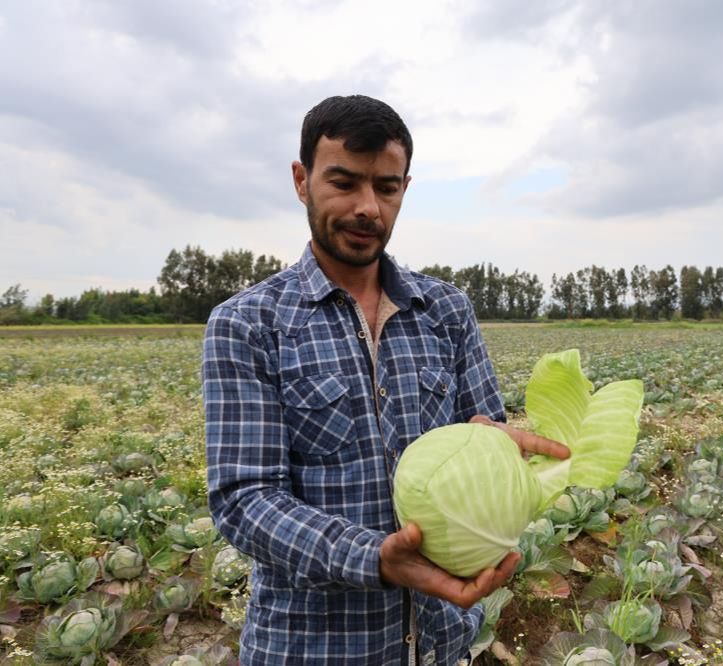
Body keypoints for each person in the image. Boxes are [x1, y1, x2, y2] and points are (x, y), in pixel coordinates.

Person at [202, 95, 568, 665]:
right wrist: (374, 557)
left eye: (387, 187)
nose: (368, 207)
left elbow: (484, 436)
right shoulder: (248, 324)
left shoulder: (446, 310)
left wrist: (497, 447)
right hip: (313, 649)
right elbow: (244, 500)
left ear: (404, 188)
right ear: (302, 181)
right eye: (343, 183)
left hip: (442, 643)